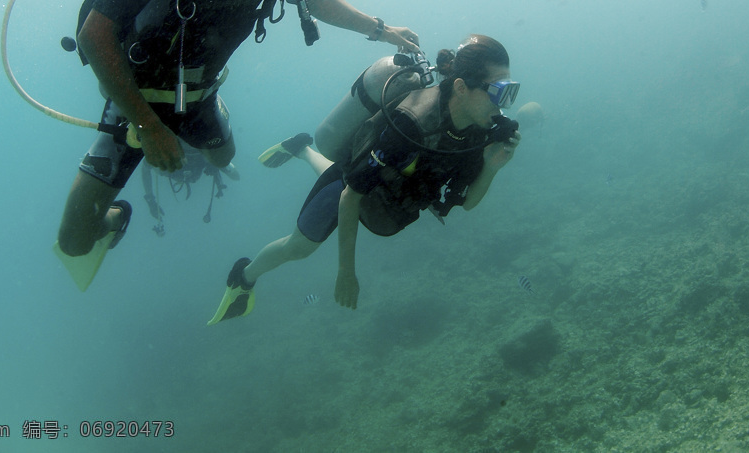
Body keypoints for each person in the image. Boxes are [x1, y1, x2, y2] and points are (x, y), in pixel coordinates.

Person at [54, 0, 419, 289]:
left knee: (223, 158)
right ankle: (116, 216)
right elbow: (95, 35)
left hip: (201, 93)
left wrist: (383, 30)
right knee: (74, 242)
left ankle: (202, 114)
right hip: (134, 99)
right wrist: (147, 125)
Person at [207, 35, 521, 323]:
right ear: (462, 87)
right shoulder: (411, 125)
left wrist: (492, 167)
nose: (504, 105)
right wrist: (346, 272)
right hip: (352, 185)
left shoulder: (479, 133)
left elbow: (466, 204)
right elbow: (352, 194)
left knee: (362, 181)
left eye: (511, 90)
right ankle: (242, 278)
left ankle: (301, 149)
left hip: (385, 192)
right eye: (498, 91)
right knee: (299, 247)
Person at [141, 141, 241, 236]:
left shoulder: (165, 168)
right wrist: (219, 164)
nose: (187, 176)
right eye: (191, 179)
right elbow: (235, 175)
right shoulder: (204, 158)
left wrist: (151, 201)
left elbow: (146, 166)